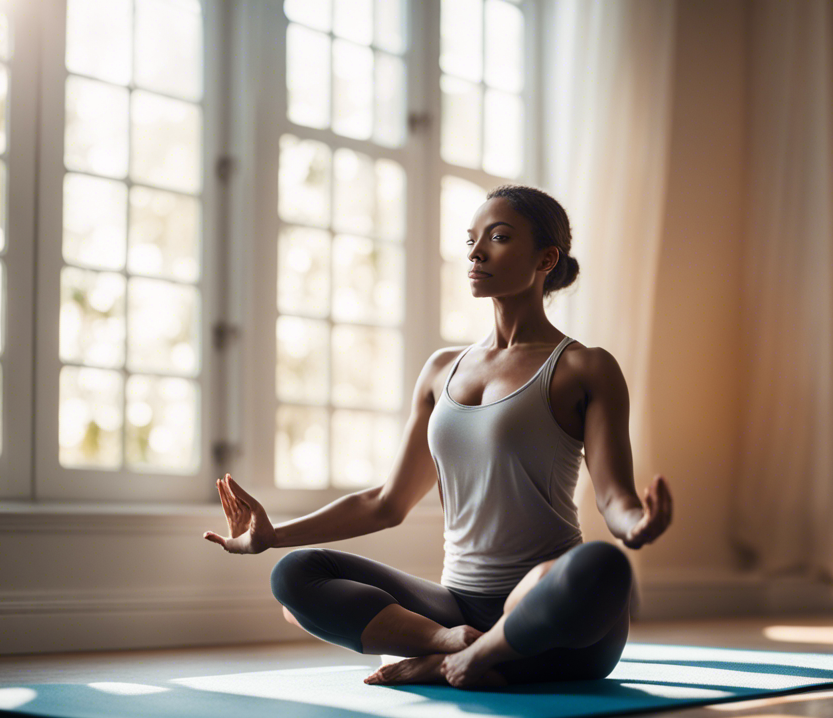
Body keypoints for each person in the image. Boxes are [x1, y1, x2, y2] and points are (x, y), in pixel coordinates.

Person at [203, 184, 673, 689]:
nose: (475, 252)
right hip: (456, 608)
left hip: (545, 605)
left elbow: (613, 497)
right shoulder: (440, 370)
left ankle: (470, 658)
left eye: (498, 237)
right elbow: (386, 503)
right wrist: (273, 537)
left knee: (604, 567)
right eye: (471, 239)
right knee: (294, 577)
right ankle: (452, 649)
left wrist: (635, 524)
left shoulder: (585, 367)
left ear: (546, 258)